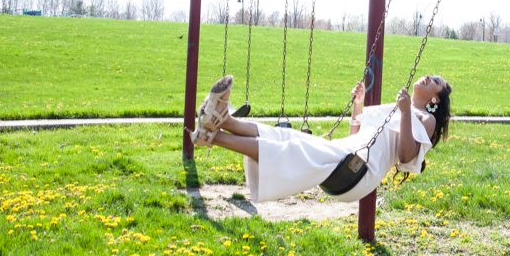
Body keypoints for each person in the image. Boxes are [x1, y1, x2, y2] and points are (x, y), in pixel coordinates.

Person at [190, 73, 450, 203]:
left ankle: (214, 137)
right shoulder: (394, 107)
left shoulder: (425, 119)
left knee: (291, 149)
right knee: (285, 136)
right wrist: (358, 105)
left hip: (359, 171)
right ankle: (223, 122)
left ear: (435, 98)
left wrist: (405, 112)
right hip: (347, 153)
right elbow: (357, 137)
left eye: (435, 80)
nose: (428, 76)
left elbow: (406, 156)